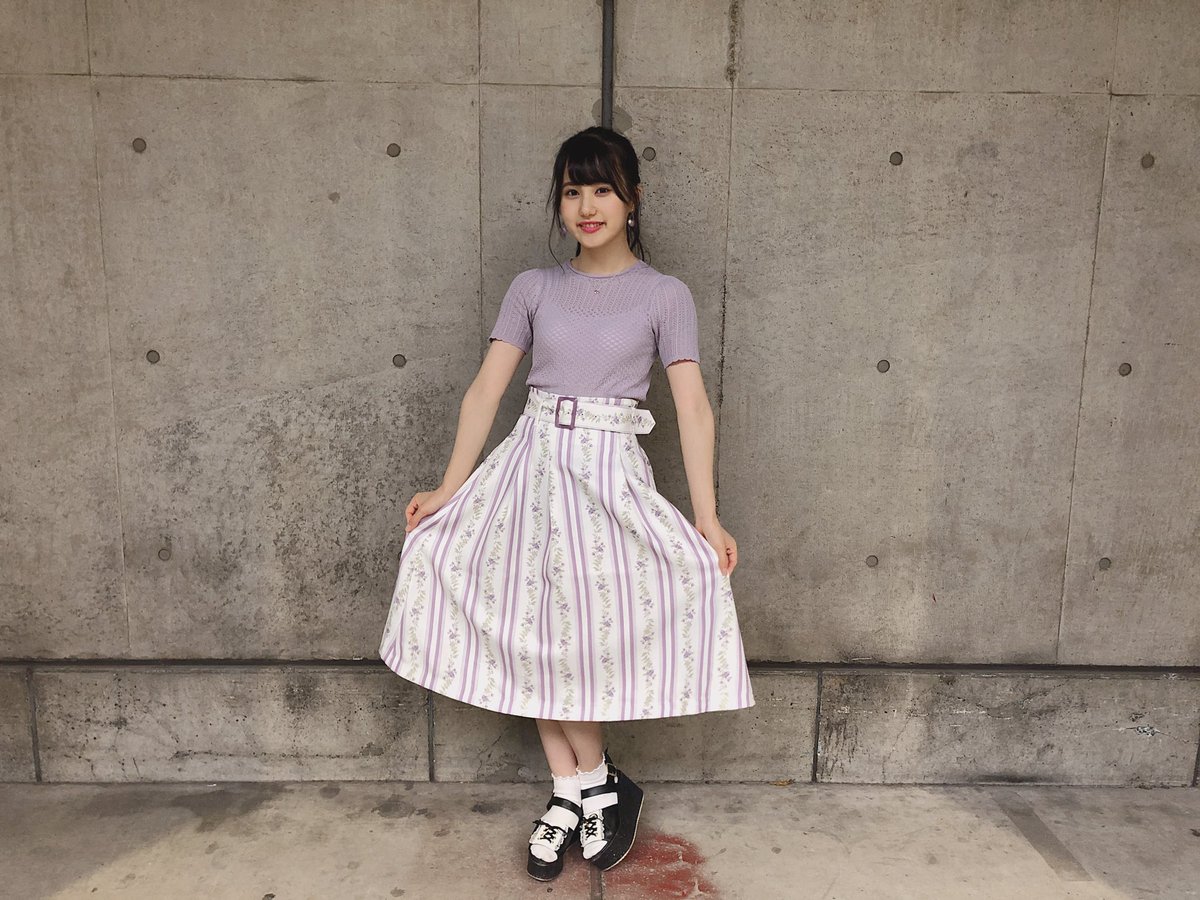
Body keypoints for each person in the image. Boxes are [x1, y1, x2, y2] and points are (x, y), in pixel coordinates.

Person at [378, 125, 754, 881]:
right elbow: (486, 392)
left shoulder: (664, 295)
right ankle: (584, 789)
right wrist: (448, 488)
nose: (587, 206)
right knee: (533, 634)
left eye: (603, 189)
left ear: (633, 200)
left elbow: (693, 409)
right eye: (573, 190)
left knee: (576, 641)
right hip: (530, 470)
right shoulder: (534, 288)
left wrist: (706, 516)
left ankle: (585, 790)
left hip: (608, 477)